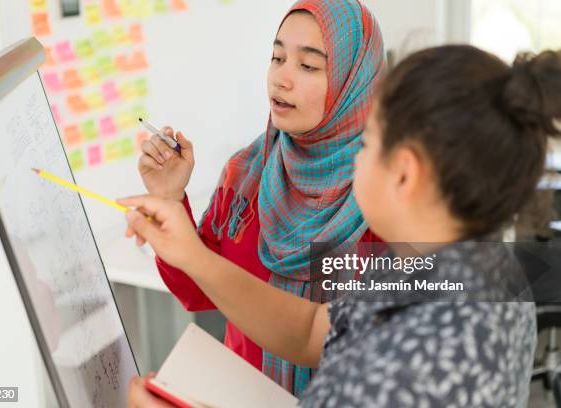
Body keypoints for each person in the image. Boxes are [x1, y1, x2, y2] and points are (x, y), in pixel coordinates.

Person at [122, 46, 561, 406]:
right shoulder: (464, 265)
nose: (282, 78)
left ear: (404, 173)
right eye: (276, 58)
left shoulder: (395, 369)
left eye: (367, 141)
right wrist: (190, 252)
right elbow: (314, 328)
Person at [135, 0, 384, 396]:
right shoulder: (247, 173)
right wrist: (169, 196)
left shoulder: (389, 197)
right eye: (277, 57)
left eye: (308, 66)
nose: (280, 79)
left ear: (353, 82)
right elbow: (199, 289)